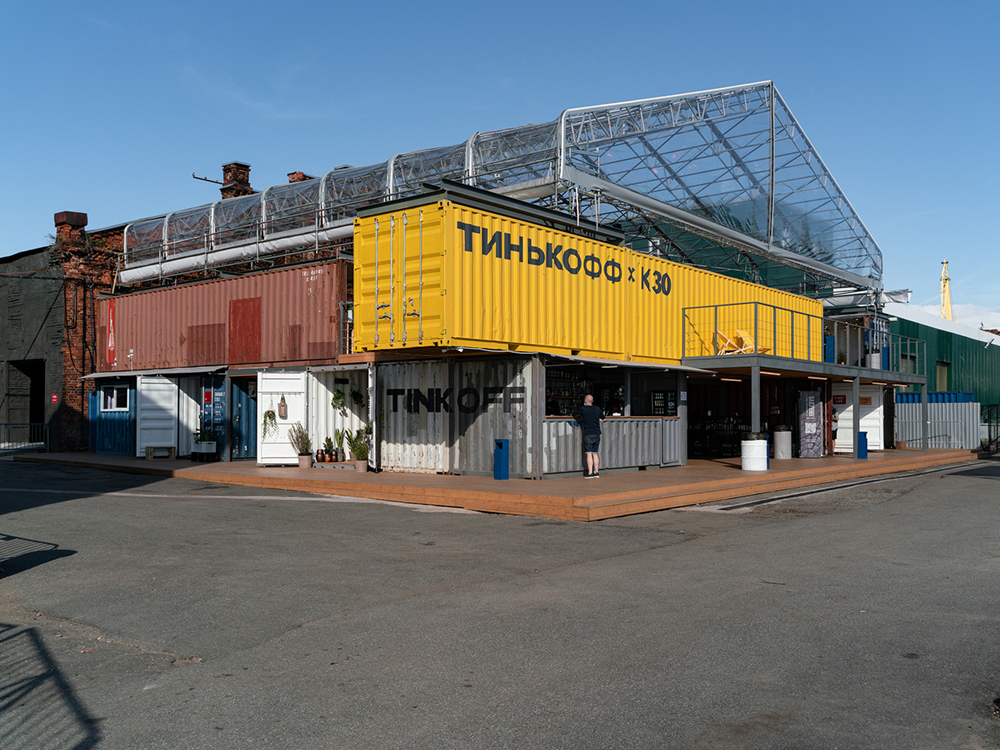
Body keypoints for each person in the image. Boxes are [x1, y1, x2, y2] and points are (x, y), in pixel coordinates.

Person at [571, 394, 606, 478]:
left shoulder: (583, 409)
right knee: (595, 453)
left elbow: (573, 413)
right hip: (597, 433)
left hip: (588, 433)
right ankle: (596, 472)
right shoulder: (597, 408)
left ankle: (590, 473)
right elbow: (603, 418)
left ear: (585, 401)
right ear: (592, 401)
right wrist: (597, 419)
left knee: (589, 454)